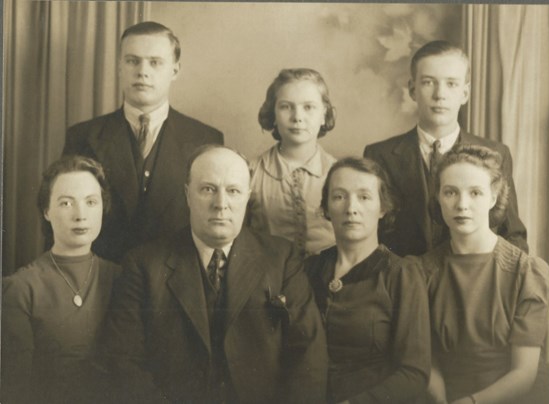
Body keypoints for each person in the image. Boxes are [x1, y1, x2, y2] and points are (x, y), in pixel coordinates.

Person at [102, 145, 327, 403]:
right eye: (208, 189)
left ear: (247, 197)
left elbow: (309, 357)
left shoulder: (281, 258)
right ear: (188, 194)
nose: (221, 204)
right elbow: (123, 362)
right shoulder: (143, 264)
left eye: (233, 191)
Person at [63, 21, 223, 262]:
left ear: (175, 70)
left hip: (176, 282)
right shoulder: (83, 136)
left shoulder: (206, 139)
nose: (142, 72)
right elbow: (61, 219)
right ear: (119, 67)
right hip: (102, 281)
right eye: (132, 61)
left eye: (155, 62)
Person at [363, 40, 527, 257]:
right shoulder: (380, 156)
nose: (440, 94)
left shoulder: (495, 154)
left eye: (451, 84)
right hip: (403, 283)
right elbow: (371, 235)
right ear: (413, 90)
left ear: (465, 93)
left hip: (474, 282)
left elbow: (513, 234)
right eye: (429, 82)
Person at [420, 144, 549, 404]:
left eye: (475, 193)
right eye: (450, 192)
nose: (462, 204)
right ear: (438, 197)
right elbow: (427, 358)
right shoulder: (421, 271)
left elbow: (523, 374)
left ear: (493, 198)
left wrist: (470, 402)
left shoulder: (526, 273)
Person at [306, 157, 430, 403]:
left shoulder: (402, 274)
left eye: (364, 197)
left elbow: (414, 374)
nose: (351, 208)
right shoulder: (307, 270)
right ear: (326, 208)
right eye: (339, 196)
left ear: (383, 208)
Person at [1, 156, 121, 404]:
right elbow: (16, 388)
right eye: (66, 203)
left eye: (91, 202)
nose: (80, 215)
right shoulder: (22, 288)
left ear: (103, 208)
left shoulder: (122, 280)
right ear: (47, 211)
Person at [248, 68, 337, 257]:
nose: (297, 117)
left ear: (324, 114)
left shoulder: (339, 174)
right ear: (272, 113)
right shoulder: (250, 172)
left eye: (308, 107)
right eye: (286, 106)